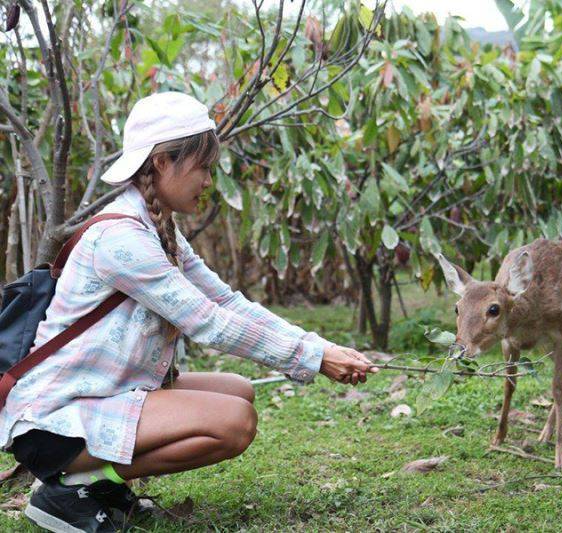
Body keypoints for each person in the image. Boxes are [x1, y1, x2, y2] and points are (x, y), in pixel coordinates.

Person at [1, 91, 378, 533]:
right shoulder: (122, 240)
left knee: (238, 391)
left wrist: (321, 346)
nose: (208, 181)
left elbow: (226, 301)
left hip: (100, 393)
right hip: (55, 420)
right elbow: (209, 322)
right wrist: (311, 359)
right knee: (233, 423)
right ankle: (77, 489)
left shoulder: (158, 228)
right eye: (203, 167)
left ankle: (92, 486)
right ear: (161, 162)